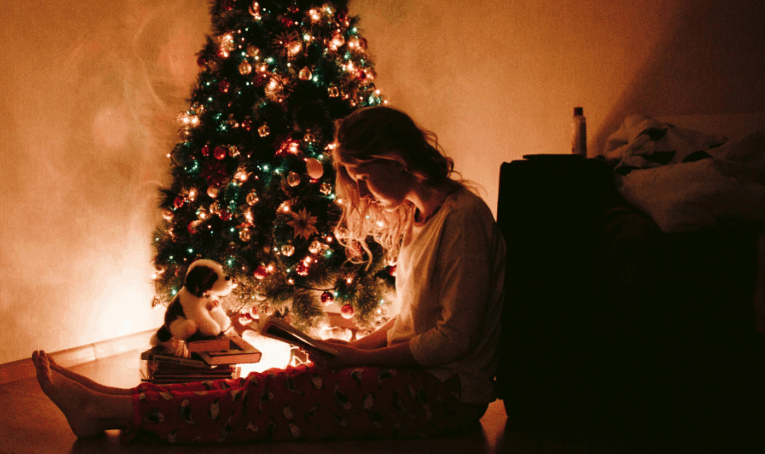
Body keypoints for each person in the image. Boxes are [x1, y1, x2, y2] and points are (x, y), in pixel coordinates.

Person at [32, 105, 506, 443]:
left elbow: (454, 339)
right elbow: (410, 322)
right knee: (269, 381)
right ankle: (116, 400)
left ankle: (115, 410)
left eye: (363, 176)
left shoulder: (463, 219)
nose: (361, 190)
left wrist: (360, 361)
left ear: (393, 159)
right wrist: (348, 350)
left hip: (446, 395)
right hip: (418, 381)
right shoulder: (417, 217)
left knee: (270, 395)